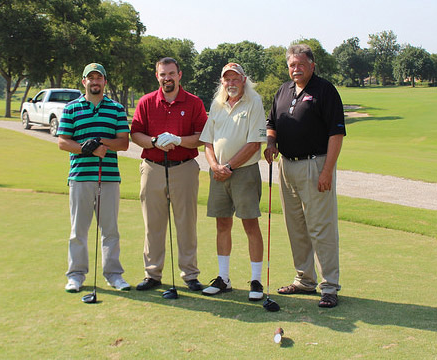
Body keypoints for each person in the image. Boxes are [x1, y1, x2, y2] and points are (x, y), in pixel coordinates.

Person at [264, 44, 346, 308]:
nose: (295, 69)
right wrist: (270, 143)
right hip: (286, 166)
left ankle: (329, 286)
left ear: (312, 65)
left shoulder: (325, 90)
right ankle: (304, 279)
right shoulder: (283, 90)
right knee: (296, 226)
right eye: (292, 65)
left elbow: (336, 133)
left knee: (321, 227)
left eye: (300, 64)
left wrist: (327, 171)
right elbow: (272, 123)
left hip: (315, 164)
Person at [130, 57, 207, 292]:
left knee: (186, 224)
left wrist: (178, 140)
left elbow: (201, 136)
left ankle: (190, 274)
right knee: (153, 224)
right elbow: (136, 134)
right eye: (163, 74)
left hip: (184, 167)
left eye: (171, 73)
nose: (167, 78)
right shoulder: (146, 102)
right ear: (157, 76)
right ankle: (152, 274)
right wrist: (153, 141)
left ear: (179, 75)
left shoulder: (193, 102)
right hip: (152, 167)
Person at [57, 63, 131, 293]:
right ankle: (76, 275)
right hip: (80, 177)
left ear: (105, 82)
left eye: (99, 78)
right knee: (78, 230)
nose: (95, 82)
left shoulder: (116, 109)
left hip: (108, 178)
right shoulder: (71, 109)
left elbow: (124, 142)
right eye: (91, 78)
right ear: (84, 82)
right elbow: (62, 141)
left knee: (110, 230)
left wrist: (102, 143)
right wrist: (85, 148)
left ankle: (113, 274)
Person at [199, 63, 267, 301]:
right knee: (222, 225)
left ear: (244, 79)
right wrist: (215, 166)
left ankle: (257, 281)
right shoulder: (217, 104)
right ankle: (223, 278)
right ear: (222, 82)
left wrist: (228, 166)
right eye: (227, 80)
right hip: (218, 174)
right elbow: (207, 141)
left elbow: (254, 143)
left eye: (235, 79)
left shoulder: (253, 102)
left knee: (250, 225)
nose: (231, 83)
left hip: (244, 173)